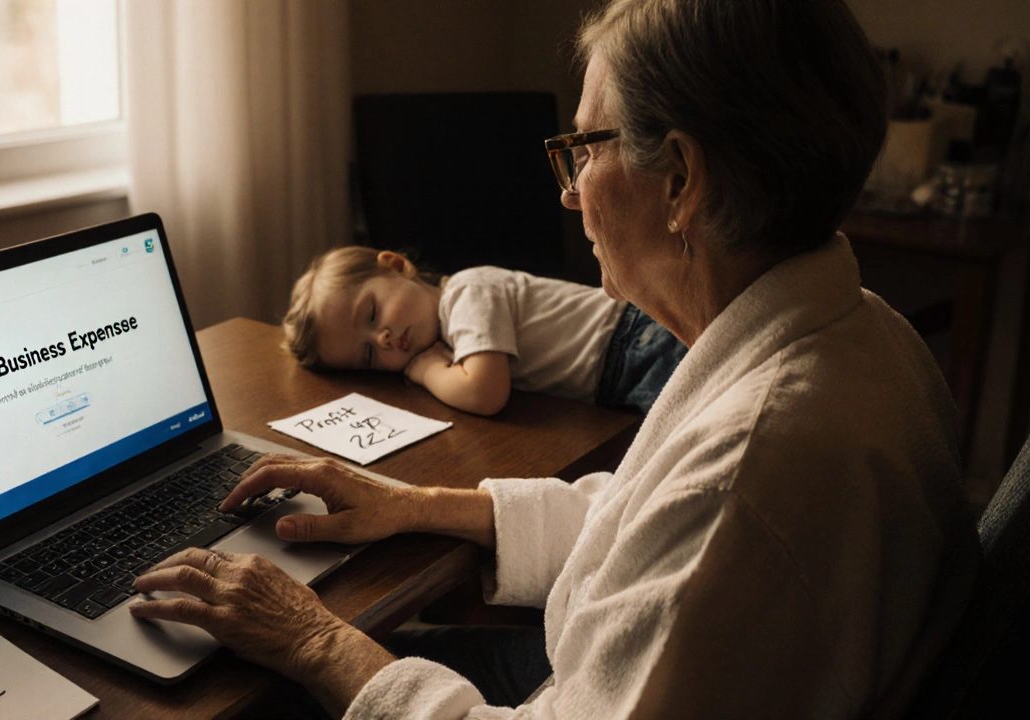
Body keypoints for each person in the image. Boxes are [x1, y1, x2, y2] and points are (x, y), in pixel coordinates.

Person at [129, 0, 982, 717]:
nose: (569, 190)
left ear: (681, 181)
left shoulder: (755, 469)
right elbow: (642, 519)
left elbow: (691, 522)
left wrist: (312, 637)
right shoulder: (857, 329)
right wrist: (414, 501)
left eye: (584, 148)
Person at [281, 246, 687, 416]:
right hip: (616, 376)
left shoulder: (466, 294)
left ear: (396, 265)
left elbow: (485, 393)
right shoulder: (448, 332)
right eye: (368, 355)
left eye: (371, 314)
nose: (383, 339)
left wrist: (425, 372)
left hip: (640, 343)